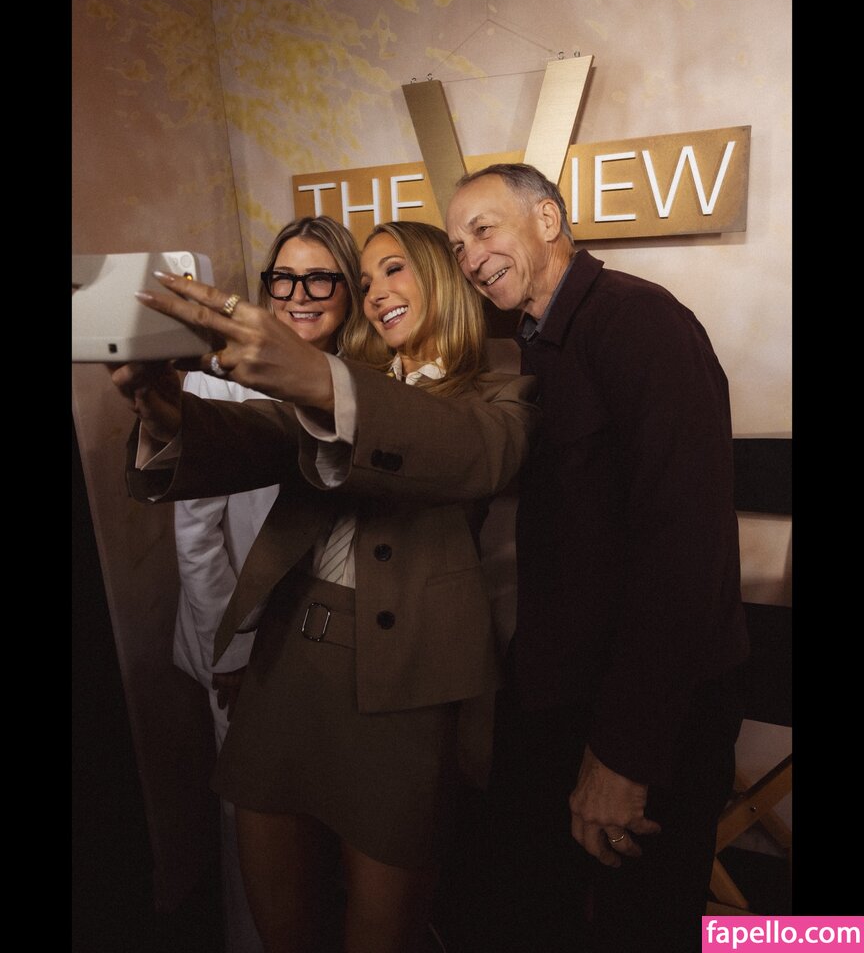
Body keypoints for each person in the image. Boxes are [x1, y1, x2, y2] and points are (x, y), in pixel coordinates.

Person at [110, 220, 537, 953]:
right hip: (285, 666)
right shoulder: (344, 386)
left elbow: (469, 452)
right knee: (280, 922)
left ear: (443, 277)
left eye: (394, 270)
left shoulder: (499, 393)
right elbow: (261, 437)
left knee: (381, 929)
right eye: (366, 282)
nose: (376, 295)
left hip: (404, 689)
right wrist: (160, 404)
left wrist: (316, 378)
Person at [444, 163, 750, 953]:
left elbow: (684, 554)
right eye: (456, 246)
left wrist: (624, 755)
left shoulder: (640, 322)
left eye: (482, 230)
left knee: (640, 924)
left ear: (548, 220)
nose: (469, 258)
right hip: (566, 697)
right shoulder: (538, 341)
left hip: (647, 713)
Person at [172, 216, 362, 953]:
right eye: (284, 278)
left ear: (347, 289)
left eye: (319, 278)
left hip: (325, 646)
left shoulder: (361, 383)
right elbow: (197, 539)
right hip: (243, 647)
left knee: (319, 820)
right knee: (251, 823)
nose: (298, 295)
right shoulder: (216, 380)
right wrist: (229, 653)